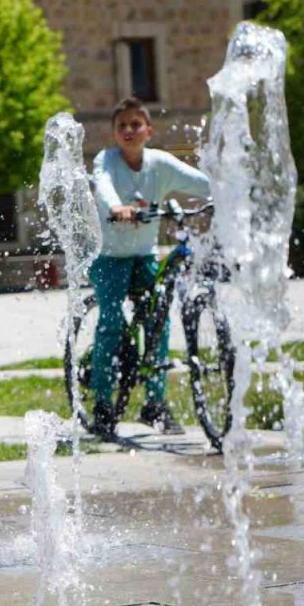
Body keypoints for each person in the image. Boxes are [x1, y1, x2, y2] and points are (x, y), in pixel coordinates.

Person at [88, 96, 209, 437]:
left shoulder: (160, 164)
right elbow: (104, 186)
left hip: (144, 255)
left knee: (157, 323)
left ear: (148, 131)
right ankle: (102, 404)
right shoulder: (107, 160)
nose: (129, 130)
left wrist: (226, 194)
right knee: (111, 322)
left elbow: (198, 182)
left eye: (135, 124)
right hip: (109, 256)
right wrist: (117, 207)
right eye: (122, 126)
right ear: (114, 133)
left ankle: (154, 405)